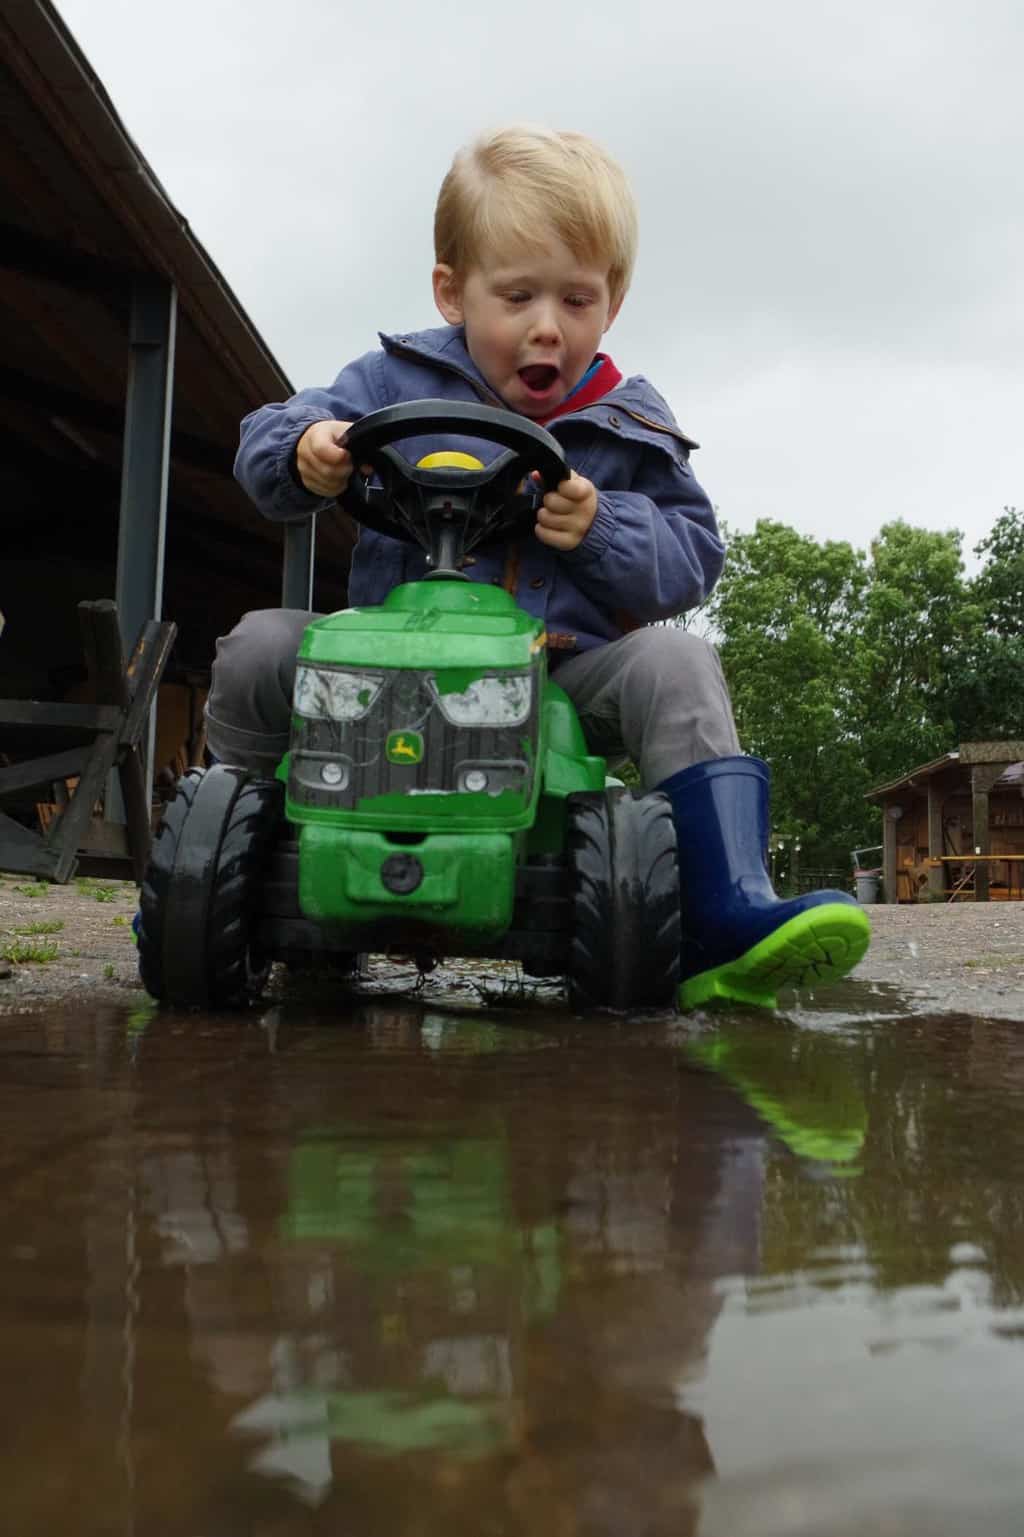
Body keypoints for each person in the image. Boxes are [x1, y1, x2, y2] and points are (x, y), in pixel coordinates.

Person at [210, 124, 868, 1009]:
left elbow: (693, 556)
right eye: (517, 295)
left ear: (615, 302)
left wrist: (603, 526)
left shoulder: (629, 421)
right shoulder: (387, 381)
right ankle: (223, 861)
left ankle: (723, 912)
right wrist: (307, 451)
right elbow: (266, 443)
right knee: (259, 646)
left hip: (564, 670)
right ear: (453, 291)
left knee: (677, 662)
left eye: (577, 299)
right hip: (387, 655)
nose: (547, 327)